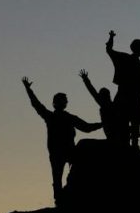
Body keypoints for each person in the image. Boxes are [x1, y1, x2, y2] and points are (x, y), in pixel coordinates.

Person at [22, 76, 102, 204]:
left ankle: (65, 196)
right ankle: (61, 199)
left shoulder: (58, 117)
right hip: (59, 152)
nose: (64, 103)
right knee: (58, 177)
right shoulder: (55, 117)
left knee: (60, 176)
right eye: (64, 101)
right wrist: (28, 89)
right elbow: (87, 127)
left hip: (65, 151)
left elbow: (87, 127)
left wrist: (102, 124)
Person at [105, 29, 140, 149]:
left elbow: (109, 50)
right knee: (127, 120)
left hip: (132, 96)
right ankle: (128, 145)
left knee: (131, 121)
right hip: (128, 95)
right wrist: (111, 37)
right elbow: (109, 50)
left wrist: (111, 38)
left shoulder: (138, 63)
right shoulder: (127, 59)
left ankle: (131, 145)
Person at [78, 69, 127, 146]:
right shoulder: (111, 105)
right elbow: (93, 91)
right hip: (114, 134)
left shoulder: (109, 105)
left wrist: (86, 80)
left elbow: (93, 92)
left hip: (115, 134)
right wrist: (86, 79)